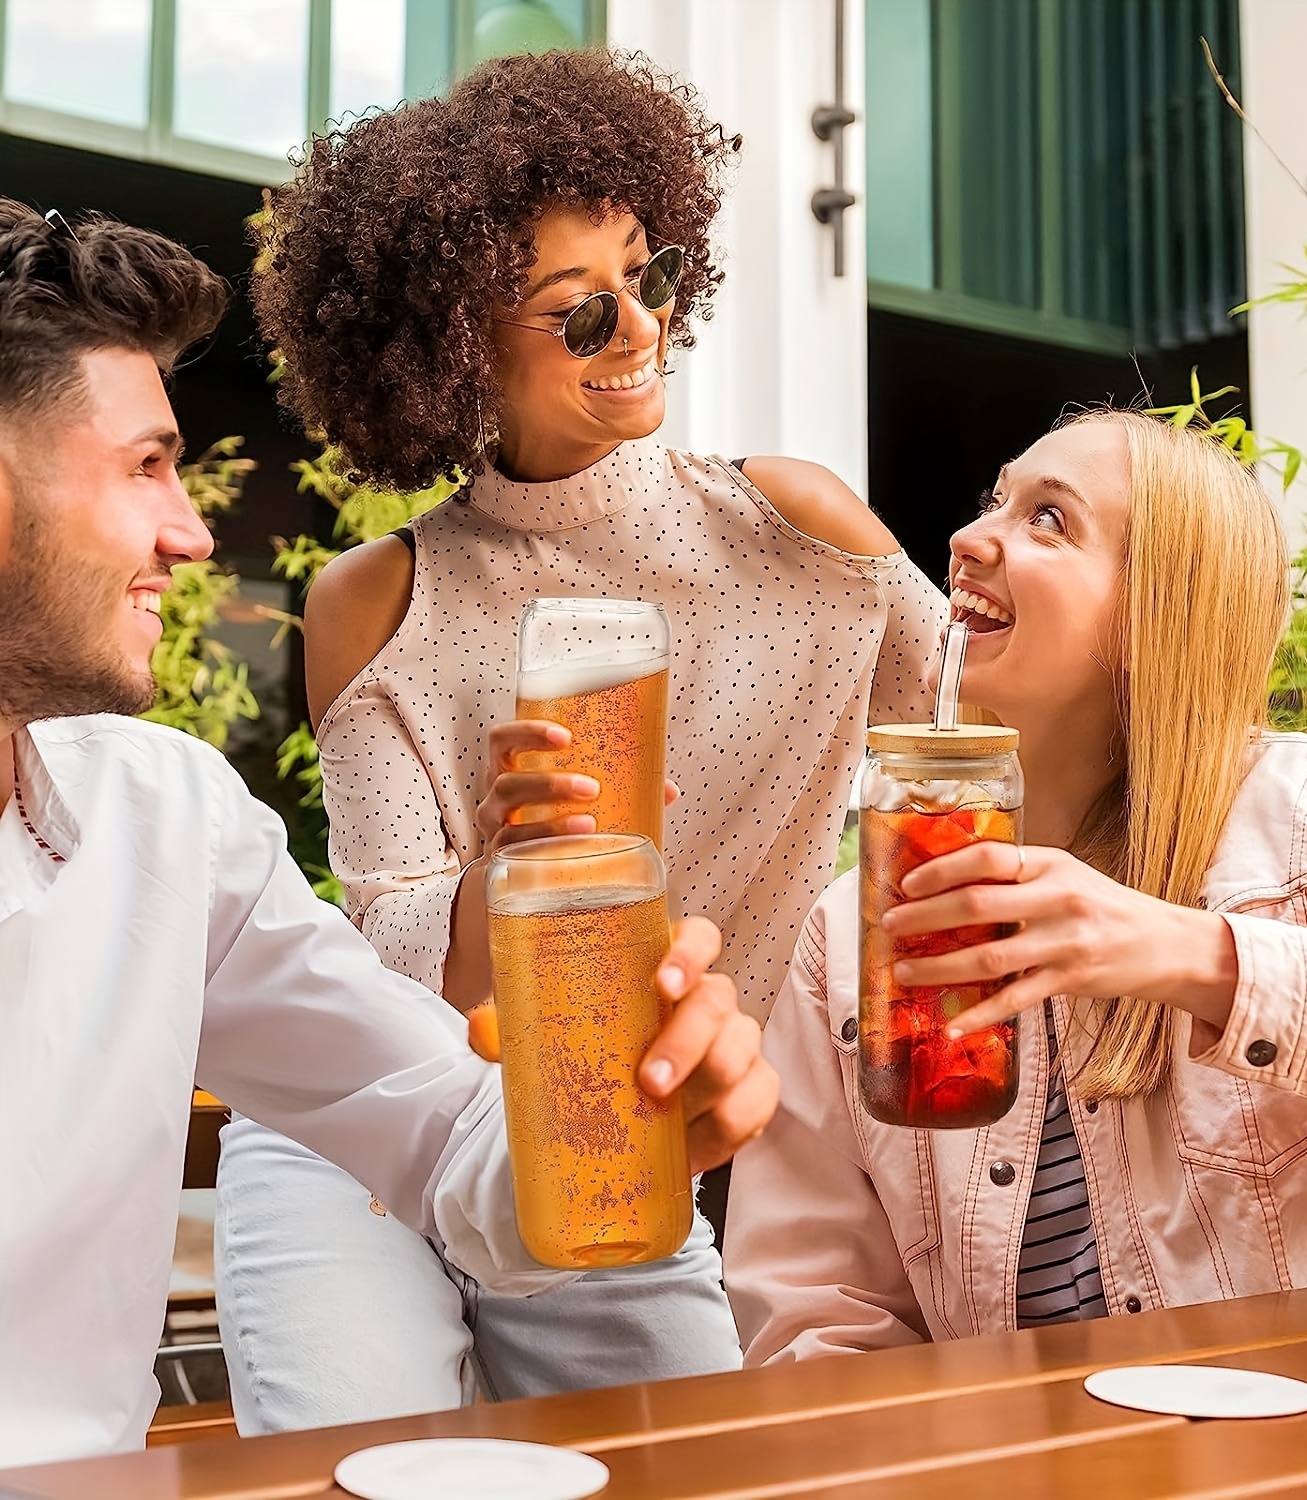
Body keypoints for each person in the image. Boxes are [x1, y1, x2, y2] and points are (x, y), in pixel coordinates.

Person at [214, 47, 945, 1431]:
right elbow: (392, 987)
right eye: (578, 311)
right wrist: (510, 870)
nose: (641, 328)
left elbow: (983, 742)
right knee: (379, 1468)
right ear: (449, 344)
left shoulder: (801, 536)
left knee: (682, 1464)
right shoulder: (375, 603)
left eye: (647, 277)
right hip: (358, 1136)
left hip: (617, 1124)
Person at [0, 200, 775, 1467]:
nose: (193, 535)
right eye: (147, 465)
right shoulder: (371, 602)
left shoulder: (168, 818)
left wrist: (631, 1116)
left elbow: (427, 1112)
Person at [722, 408, 1307, 1362]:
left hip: (1302, 1455)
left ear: (1155, 615)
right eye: (992, 503)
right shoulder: (854, 931)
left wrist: (1204, 960)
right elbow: (818, 1314)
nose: (969, 540)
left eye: (1049, 518)